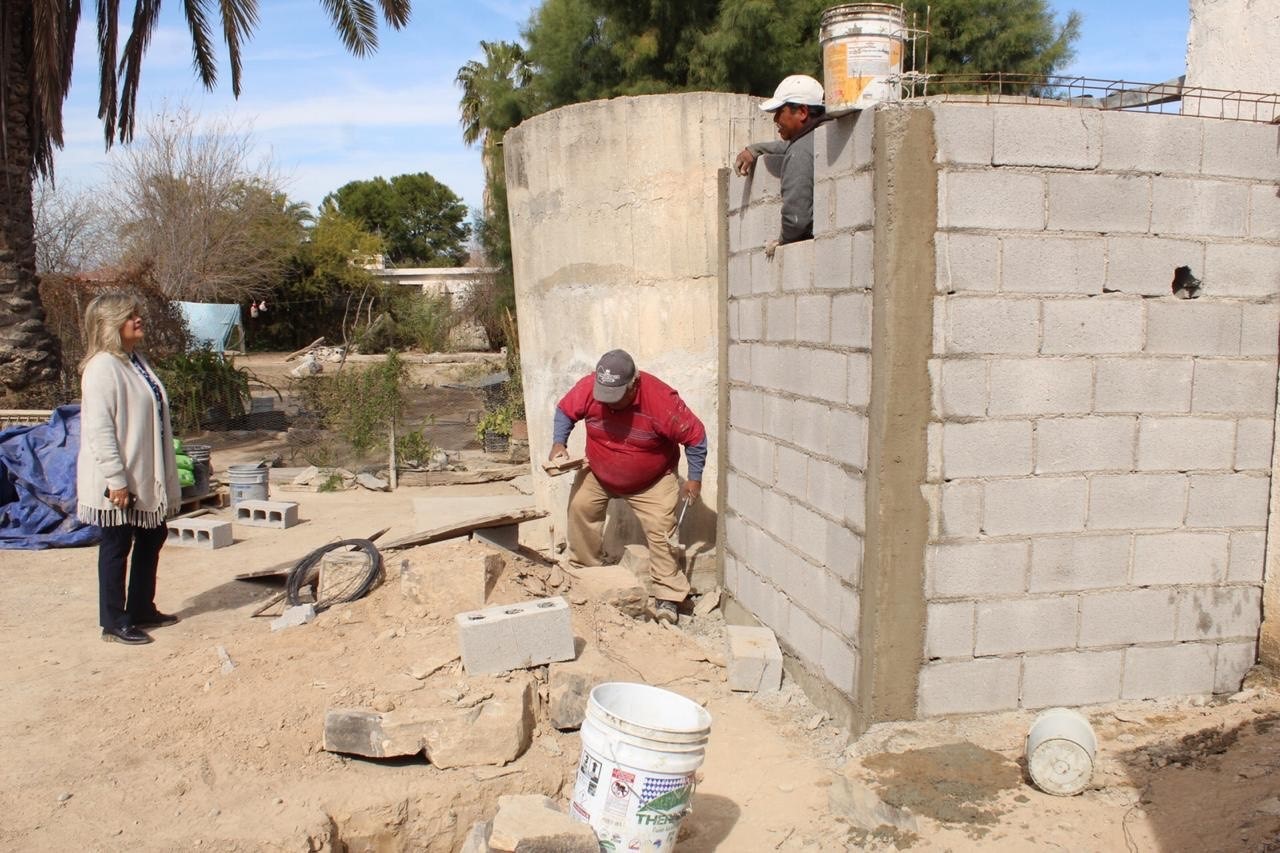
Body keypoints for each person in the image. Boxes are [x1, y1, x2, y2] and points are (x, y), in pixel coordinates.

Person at [549, 350, 707, 625]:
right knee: (580, 507)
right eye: (604, 394)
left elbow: (695, 436)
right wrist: (559, 443)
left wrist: (694, 478)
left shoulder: (660, 400)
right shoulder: (590, 387)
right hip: (600, 472)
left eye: (617, 395)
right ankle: (589, 574)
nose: (609, 402)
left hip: (652, 480)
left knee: (661, 527)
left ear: (634, 384)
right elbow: (565, 411)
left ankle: (667, 596)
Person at [77, 293, 182, 645]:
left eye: (137, 314)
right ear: (110, 326)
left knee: (153, 534)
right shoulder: (102, 367)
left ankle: (140, 607)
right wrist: (116, 480)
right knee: (116, 544)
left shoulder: (134, 360)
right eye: (130, 317)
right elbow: (99, 429)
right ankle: (114, 621)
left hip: (141, 470)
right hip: (118, 478)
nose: (139, 320)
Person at [734, 74, 830, 248]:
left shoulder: (799, 152)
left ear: (802, 112)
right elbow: (787, 147)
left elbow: (796, 219)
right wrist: (755, 150)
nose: (775, 119)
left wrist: (783, 242)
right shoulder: (825, 136)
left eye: (780, 111)